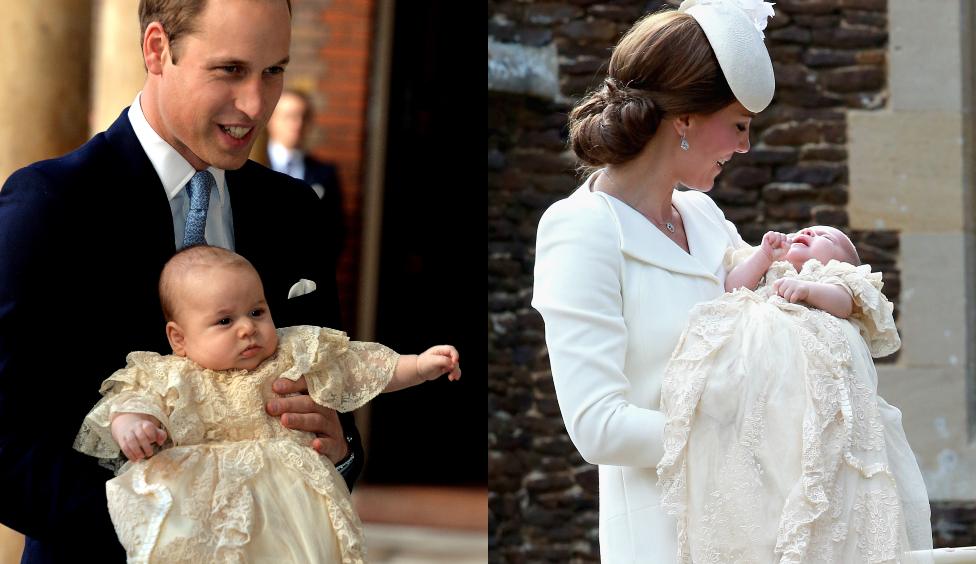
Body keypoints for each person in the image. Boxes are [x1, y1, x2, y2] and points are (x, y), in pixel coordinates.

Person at [0, 1, 361, 561]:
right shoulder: (48, 207)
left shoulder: (295, 212)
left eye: (274, 70)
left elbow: (334, 396)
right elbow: (8, 445)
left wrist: (336, 450)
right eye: (230, 70)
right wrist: (174, 526)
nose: (256, 103)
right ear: (155, 49)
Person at [531, 0, 776, 561]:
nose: (744, 146)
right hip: (665, 535)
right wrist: (739, 429)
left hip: (759, 524)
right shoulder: (581, 229)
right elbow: (598, 426)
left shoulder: (705, 217)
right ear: (684, 119)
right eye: (737, 125)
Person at [72, 245, 461, 563]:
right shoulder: (172, 374)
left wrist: (419, 366)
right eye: (225, 321)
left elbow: (360, 365)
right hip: (208, 511)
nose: (248, 328)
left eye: (257, 312)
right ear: (179, 338)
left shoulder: (292, 353)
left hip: (293, 506)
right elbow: (129, 398)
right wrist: (133, 424)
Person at [656, 226, 933, 562]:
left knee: (818, 449)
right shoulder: (769, 269)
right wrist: (762, 256)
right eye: (804, 231)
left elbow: (843, 304)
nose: (809, 232)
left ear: (843, 260)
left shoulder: (834, 278)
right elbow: (731, 286)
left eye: (825, 238)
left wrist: (807, 289)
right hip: (758, 375)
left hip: (809, 369)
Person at [266, 89, 346, 263]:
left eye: (304, 117)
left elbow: (335, 231)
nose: (298, 124)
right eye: (290, 116)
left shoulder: (325, 173)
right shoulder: (245, 167)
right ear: (270, 119)